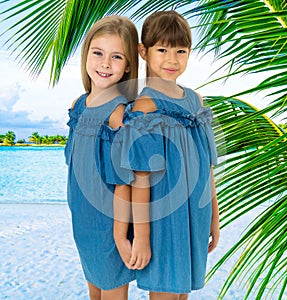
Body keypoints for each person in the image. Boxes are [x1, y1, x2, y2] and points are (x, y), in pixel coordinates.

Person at [116, 10, 220, 300]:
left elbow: (207, 163)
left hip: (195, 214)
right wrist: (143, 238)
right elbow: (139, 177)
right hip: (163, 218)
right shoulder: (145, 106)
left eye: (181, 50)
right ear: (144, 51)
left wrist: (214, 217)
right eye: (162, 49)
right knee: (164, 292)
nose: (172, 59)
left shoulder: (195, 100)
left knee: (183, 291)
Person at [64, 15, 138, 300]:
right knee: (95, 291)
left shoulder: (118, 115)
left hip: (110, 225)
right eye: (98, 53)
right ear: (86, 55)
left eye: (116, 56)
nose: (105, 63)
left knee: (112, 294)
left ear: (129, 64)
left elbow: (124, 182)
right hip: (82, 222)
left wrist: (121, 237)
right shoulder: (77, 106)